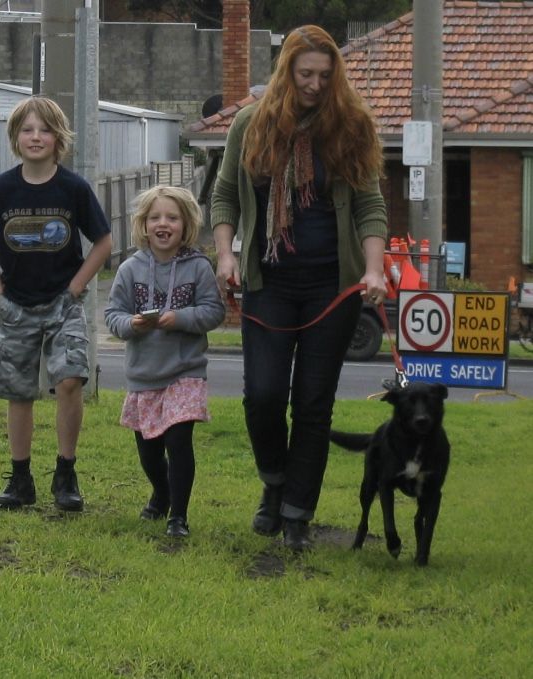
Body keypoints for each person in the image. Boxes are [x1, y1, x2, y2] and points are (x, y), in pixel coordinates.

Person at [210, 25, 388, 551]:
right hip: (269, 283)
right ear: (286, 69)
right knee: (262, 396)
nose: (314, 84)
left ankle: (296, 513)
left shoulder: (350, 126)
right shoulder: (251, 123)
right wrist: (225, 254)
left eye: (324, 76)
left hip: (331, 287)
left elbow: (369, 206)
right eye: (305, 73)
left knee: (313, 403)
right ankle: (274, 482)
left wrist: (374, 269)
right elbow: (224, 197)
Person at [0, 96, 113, 512]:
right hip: (16, 304)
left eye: (45, 130)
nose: (36, 137)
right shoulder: (2, 188)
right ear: (16, 138)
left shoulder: (73, 188)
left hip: (62, 305)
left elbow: (103, 242)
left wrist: (74, 288)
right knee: (20, 391)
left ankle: (65, 474)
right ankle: (20, 480)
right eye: (28, 130)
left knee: (70, 379)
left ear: (58, 138)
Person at [105, 186, 225, 538]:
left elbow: (213, 311)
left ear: (185, 224)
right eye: (155, 217)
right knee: (149, 451)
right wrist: (132, 324)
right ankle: (162, 492)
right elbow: (113, 316)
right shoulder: (129, 269)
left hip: (185, 373)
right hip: (144, 375)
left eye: (172, 218)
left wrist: (181, 318)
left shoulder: (199, 268)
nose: (163, 224)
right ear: (143, 225)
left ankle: (179, 516)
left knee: (178, 441)